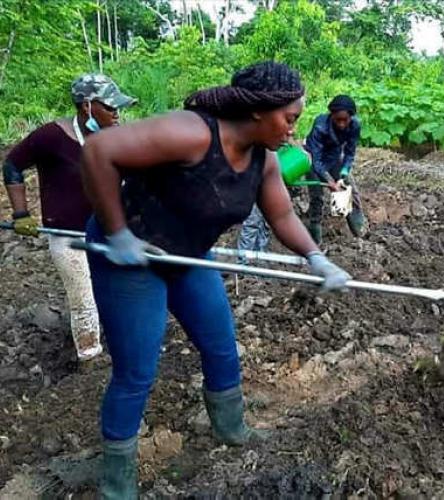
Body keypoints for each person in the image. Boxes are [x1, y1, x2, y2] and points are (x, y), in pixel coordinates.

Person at [80, 61, 351, 499]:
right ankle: (118, 484)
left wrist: (316, 258)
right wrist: (117, 233)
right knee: (137, 371)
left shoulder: (263, 161)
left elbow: (280, 214)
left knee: (222, 346)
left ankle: (232, 430)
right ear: (259, 112)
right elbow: (98, 152)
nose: (292, 131)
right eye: (290, 119)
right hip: (132, 255)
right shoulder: (192, 133)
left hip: (189, 255)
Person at [2, 73, 136, 362]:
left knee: (117, 292)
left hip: (109, 232)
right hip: (70, 238)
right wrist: (21, 213)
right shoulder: (52, 137)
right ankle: (90, 358)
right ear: (87, 106)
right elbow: (12, 165)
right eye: (110, 107)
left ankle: (122, 348)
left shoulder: (115, 139)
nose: (117, 113)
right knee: (84, 299)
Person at [304, 95, 366, 244]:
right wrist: (330, 182)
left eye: (345, 120)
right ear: (331, 115)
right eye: (338, 119)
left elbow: (350, 153)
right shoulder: (320, 126)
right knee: (317, 197)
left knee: (344, 189)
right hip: (313, 159)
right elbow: (316, 160)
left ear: (351, 117)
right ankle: (315, 237)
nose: (342, 124)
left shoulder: (355, 126)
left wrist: (343, 174)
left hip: (334, 157)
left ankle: (354, 232)